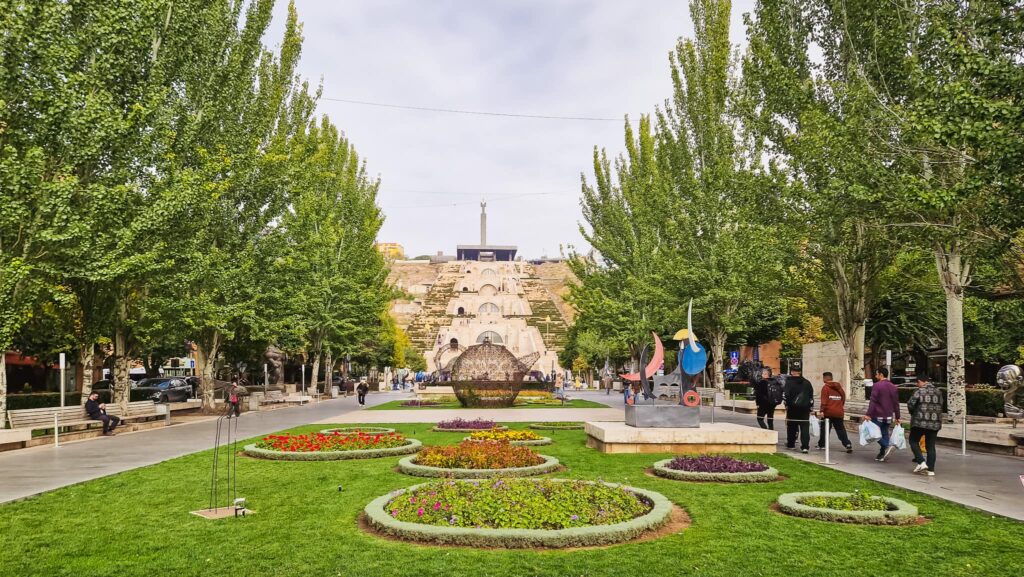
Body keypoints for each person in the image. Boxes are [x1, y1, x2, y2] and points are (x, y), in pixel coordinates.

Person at [862, 367, 901, 462]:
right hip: (888, 415)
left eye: (876, 374)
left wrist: (868, 414)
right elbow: (896, 403)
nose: (875, 376)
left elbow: (873, 401)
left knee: (874, 435)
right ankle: (883, 454)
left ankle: (887, 446)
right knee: (884, 433)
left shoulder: (877, 386)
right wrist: (898, 417)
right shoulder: (893, 387)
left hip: (878, 415)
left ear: (881, 375)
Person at [907, 374, 942, 476]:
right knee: (930, 446)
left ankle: (921, 462)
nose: (917, 385)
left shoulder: (919, 391)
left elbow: (910, 404)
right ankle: (931, 470)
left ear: (920, 381)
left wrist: (913, 413)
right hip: (935, 423)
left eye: (917, 383)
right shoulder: (938, 392)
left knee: (913, 441)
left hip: (919, 422)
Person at [816, 371, 853, 453]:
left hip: (828, 412)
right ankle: (847, 444)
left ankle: (822, 444)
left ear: (825, 378)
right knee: (840, 429)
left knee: (825, 429)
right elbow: (843, 397)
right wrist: (839, 406)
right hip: (838, 412)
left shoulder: (825, 388)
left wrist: (822, 410)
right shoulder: (839, 387)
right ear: (831, 378)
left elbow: (824, 401)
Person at [783, 362, 814, 453]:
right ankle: (805, 446)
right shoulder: (807, 383)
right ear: (800, 371)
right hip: (804, 409)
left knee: (792, 426)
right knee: (804, 428)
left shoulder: (789, 382)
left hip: (792, 408)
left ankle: (791, 444)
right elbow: (811, 396)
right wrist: (810, 407)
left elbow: (785, 395)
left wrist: (787, 405)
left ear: (792, 371)